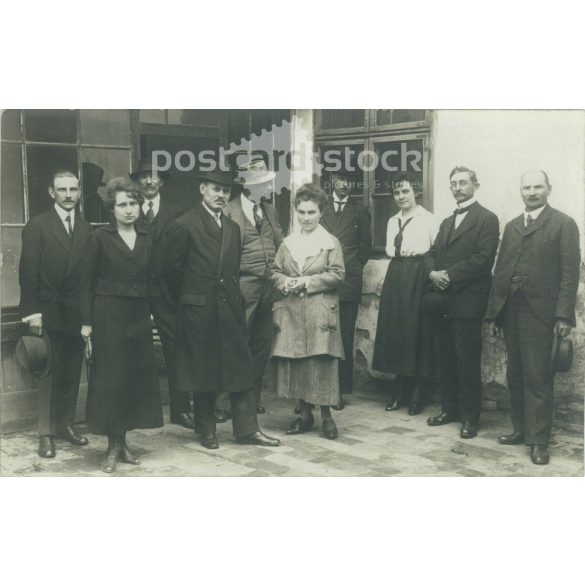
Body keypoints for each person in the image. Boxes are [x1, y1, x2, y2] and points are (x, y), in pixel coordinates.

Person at [163, 168, 280, 450]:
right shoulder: (184, 225)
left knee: (242, 368)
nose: (220, 195)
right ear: (202, 189)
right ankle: (207, 430)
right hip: (199, 311)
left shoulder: (232, 227)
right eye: (215, 189)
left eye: (225, 191)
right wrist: (191, 302)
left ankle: (248, 430)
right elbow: (169, 275)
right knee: (204, 371)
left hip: (230, 308)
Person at [485, 170, 580, 465]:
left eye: (538, 186)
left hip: (542, 314)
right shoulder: (513, 226)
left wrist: (563, 316)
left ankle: (539, 442)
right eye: (527, 187)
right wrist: (496, 314)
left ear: (549, 188)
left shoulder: (564, 224)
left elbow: (569, 273)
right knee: (515, 374)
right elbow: (501, 271)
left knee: (538, 377)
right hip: (512, 312)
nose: (532, 192)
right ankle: (521, 430)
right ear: (520, 191)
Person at [80, 178, 163, 473]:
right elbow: (86, 282)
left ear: (140, 206)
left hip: (138, 315)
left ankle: (124, 442)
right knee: (111, 380)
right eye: (122, 205)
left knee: (132, 379)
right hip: (108, 314)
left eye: (133, 203)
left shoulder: (147, 237)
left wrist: (153, 314)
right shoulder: (99, 237)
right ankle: (113, 446)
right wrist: (87, 323)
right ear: (112, 209)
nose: (129, 210)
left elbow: (154, 279)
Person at [19, 169, 92, 458]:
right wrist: (32, 313)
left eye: (73, 189)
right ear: (51, 193)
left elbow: (87, 278)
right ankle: (46, 433)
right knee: (49, 374)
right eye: (62, 190)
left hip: (75, 315)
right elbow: (28, 274)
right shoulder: (37, 226)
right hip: (47, 312)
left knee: (72, 372)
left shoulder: (86, 229)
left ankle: (65, 425)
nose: (68, 195)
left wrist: (87, 319)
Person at [425, 166, 499, 439]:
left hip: (468, 300)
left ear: (475, 185)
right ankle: (450, 409)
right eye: (453, 183)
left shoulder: (487, 219)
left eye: (463, 182)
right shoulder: (446, 222)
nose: (457, 187)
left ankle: (470, 417)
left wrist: (449, 276)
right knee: (445, 356)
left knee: (466, 359)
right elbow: (431, 253)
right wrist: (432, 273)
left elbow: (483, 260)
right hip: (442, 300)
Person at [271, 184, 345, 439]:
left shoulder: (330, 243)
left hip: (319, 311)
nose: (306, 217)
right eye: (301, 212)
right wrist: (285, 282)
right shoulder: (287, 243)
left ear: (320, 213)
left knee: (321, 363)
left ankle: (326, 416)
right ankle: (304, 414)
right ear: (296, 212)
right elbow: (275, 271)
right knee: (298, 363)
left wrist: (307, 282)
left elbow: (338, 273)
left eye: (311, 212)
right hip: (292, 311)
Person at [215, 157, 284, 420]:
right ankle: (222, 404)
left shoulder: (269, 209)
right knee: (234, 345)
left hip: (268, 287)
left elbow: (278, 242)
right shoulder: (229, 211)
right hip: (241, 286)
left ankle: (251, 400)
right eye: (263, 183)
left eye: (268, 182)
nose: (268, 187)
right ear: (246, 186)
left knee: (261, 344)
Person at [131, 158, 194, 429]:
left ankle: (180, 410)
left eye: (154, 176)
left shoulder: (177, 211)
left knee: (176, 347)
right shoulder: (129, 210)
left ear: (162, 182)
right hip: (135, 290)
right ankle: (135, 410)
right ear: (137, 182)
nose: (148, 181)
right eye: (143, 177)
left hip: (168, 291)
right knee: (133, 345)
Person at [372, 172, 439, 414]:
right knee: (397, 332)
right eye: (397, 193)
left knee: (416, 332)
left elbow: (434, 252)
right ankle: (399, 390)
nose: (401, 196)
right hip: (396, 275)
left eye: (405, 192)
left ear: (415, 193)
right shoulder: (392, 221)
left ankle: (418, 394)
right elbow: (391, 250)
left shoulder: (428, 219)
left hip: (418, 274)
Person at [320, 169, 371, 410]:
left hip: (348, 280)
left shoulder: (360, 210)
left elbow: (365, 248)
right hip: (323, 277)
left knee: (345, 335)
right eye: (340, 179)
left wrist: (351, 267)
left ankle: (340, 389)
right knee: (323, 333)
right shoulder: (321, 208)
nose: (344, 184)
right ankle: (320, 388)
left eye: (349, 180)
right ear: (332, 182)